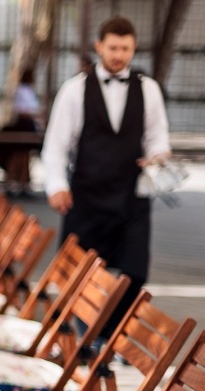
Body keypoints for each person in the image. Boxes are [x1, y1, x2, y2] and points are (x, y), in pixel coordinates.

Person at [41, 15, 170, 339]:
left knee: (135, 271)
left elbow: (157, 136)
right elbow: (55, 145)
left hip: (132, 195)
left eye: (125, 48)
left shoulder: (149, 88)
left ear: (133, 48)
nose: (119, 55)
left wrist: (157, 155)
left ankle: (108, 336)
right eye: (113, 47)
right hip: (86, 194)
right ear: (99, 46)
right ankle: (92, 336)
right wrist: (56, 186)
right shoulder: (74, 89)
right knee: (80, 274)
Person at [0, 68, 42, 197]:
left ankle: (23, 183)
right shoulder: (21, 91)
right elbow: (22, 110)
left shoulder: (30, 91)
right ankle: (12, 183)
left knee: (25, 157)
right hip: (23, 125)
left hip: (29, 125)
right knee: (17, 157)